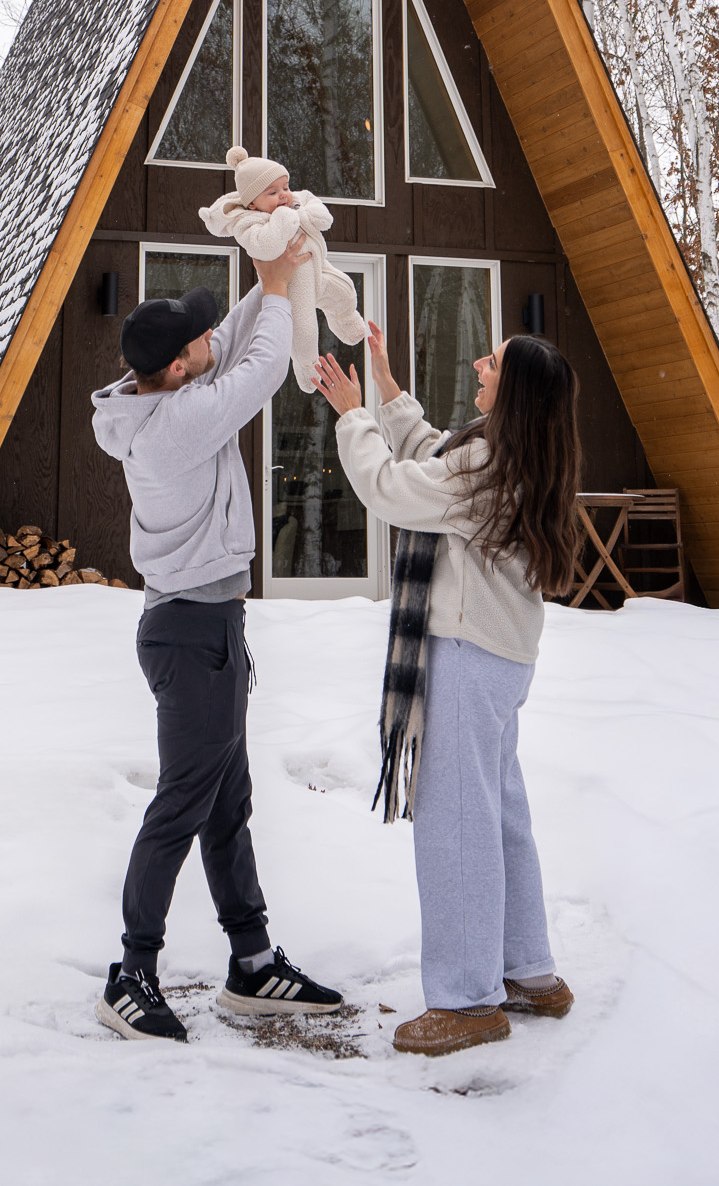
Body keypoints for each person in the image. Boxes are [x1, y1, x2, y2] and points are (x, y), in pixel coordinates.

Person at [90, 243, 345, 1043]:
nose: (211, 342)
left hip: (213, 628)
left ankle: (252, 962)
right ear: (173, 369)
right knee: (182, 807)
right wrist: (273, 287)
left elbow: (237, 336)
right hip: (190, 634)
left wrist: (269, 262)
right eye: (195, 344)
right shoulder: (173, 426)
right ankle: (131, 973)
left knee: (226, 805)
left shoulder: (172, 387)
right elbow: (261, 365)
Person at [313, 327, 582, 1059]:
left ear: (514, 391)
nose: (477, 363)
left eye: (491, 361)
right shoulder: (519, 454)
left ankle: (468, 1001)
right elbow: (436, 453)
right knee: (498, 816)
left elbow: (395, 488)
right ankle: (528, 969)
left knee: (457, 824)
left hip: (467, 657)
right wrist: (390, 389)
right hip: (501, 658)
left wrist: (351, 413)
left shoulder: (489, 467)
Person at [198, 144, 365, 392]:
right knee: (304, 330)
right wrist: (285, 219)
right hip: (294, 285)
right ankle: (308, 371)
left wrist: (305, 214)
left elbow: (322, 214)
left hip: (318, 269)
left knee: (345, 290)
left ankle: (345, 321)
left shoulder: (295, 201)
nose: (285, 195)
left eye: (285, 187)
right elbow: (265, 246)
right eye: (273, 192)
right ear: (252, 203)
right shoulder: (247, 222)